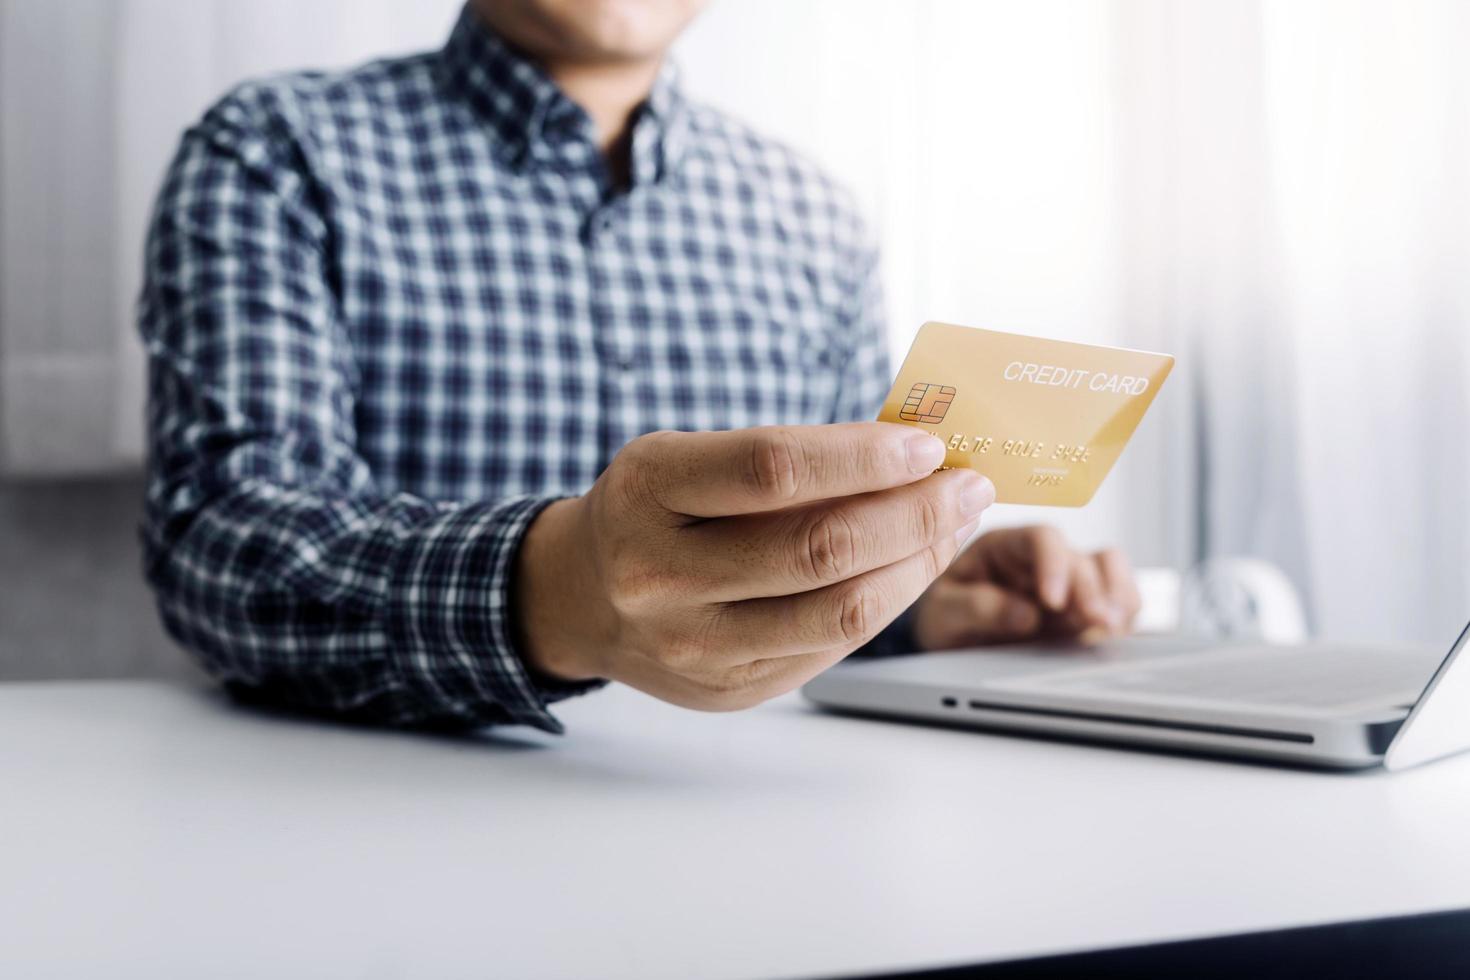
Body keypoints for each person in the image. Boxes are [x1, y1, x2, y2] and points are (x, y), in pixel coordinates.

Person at [139, 0, 1141, 734]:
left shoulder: (815, 219)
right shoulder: (275, 151)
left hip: (754, 833)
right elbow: (222, 546)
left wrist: (923, 592)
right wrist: (559, 591)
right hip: (373, 822)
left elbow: (809, 570)